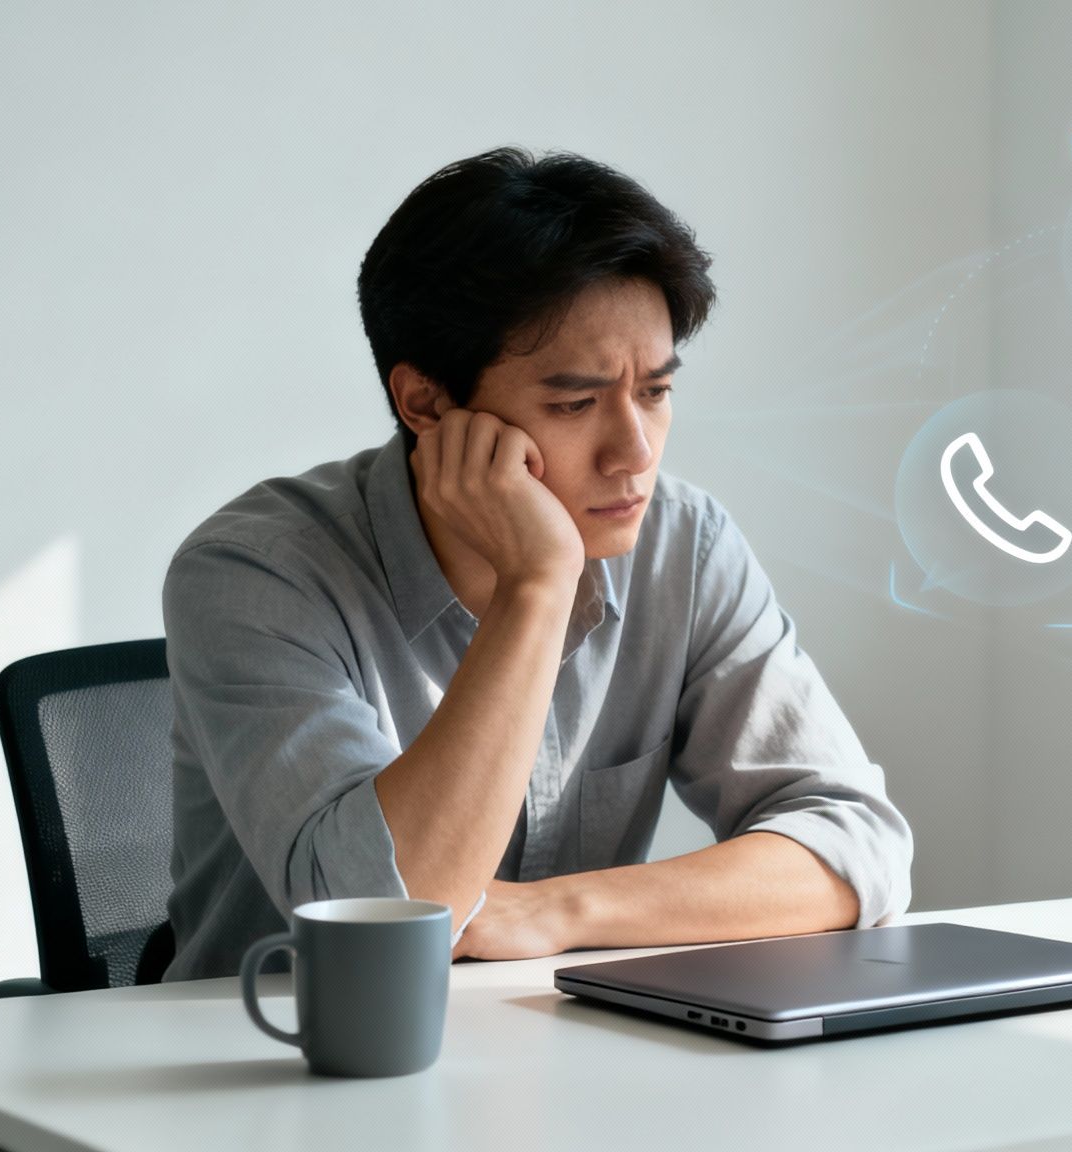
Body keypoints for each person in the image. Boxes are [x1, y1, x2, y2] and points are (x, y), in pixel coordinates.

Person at [161, 147, 912, 980]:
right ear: (428, 403)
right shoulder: (254, 573)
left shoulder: (684, 546)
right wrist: (538, 584)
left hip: (560, 1056)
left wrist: (561, 911)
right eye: (575, 403)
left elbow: (857, 845)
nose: (634, 453)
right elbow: (386, 915)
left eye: (656, 392)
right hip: (277, 1066)